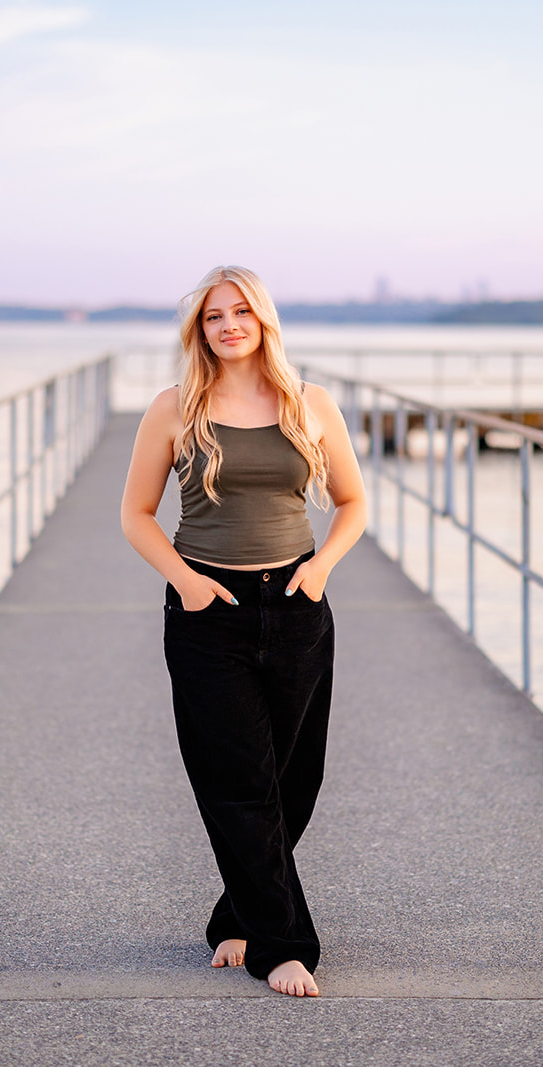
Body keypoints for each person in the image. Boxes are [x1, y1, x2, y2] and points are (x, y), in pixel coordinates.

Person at [120, 265, 366, 998]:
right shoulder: (174, 409)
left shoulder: (308, 402)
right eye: (212, 316)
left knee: (295, 782)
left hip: (295, 603)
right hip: (208, 613)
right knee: (238, 784)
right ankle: (284, 943)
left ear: (263, 320)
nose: (228, 325)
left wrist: (320, 569)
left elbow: (352, 501)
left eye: (240, 312)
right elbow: (135, 513)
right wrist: (190, 584)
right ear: (199, 331)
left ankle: (236, 914)